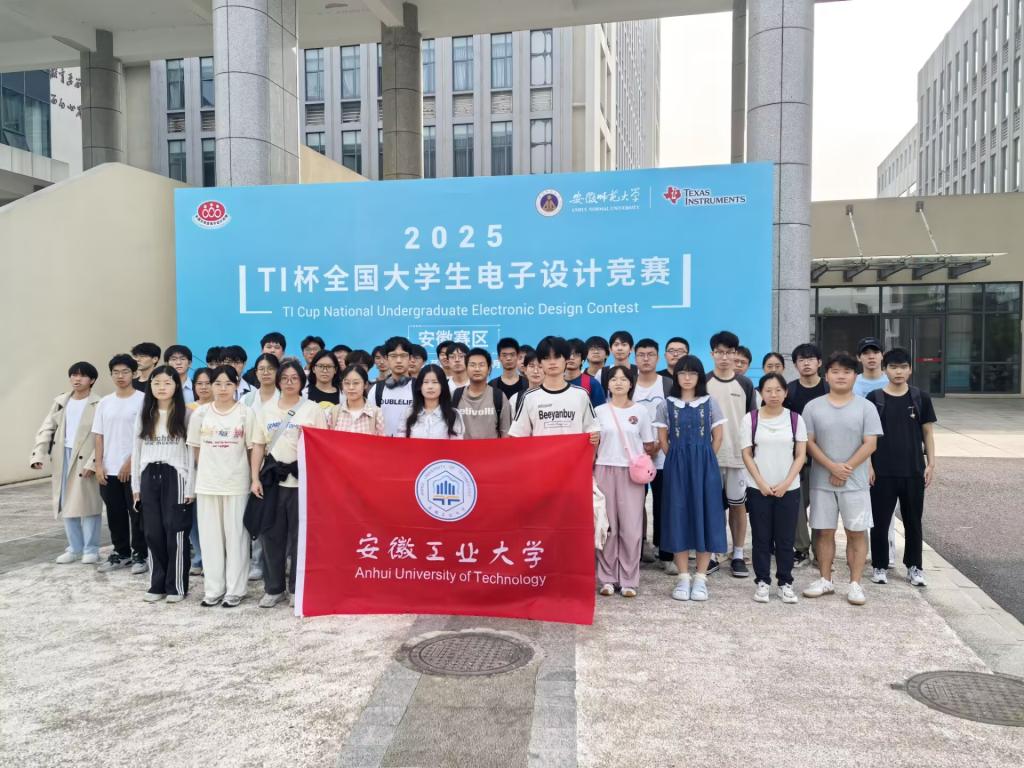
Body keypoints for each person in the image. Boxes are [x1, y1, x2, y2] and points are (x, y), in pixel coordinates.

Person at [801, 352, 883, 606]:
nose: (841, 376)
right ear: (826, 376)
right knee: (824, 531)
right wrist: (831, 468)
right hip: (821, 481)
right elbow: (808, 442)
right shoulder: (813, 407)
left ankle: (855, 583)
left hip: (855, 483)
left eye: (847, 372)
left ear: (855, 376)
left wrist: (845, 469)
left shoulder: (866, 407)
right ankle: (825, 579)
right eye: (835, 371)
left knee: (856, 532)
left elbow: (870, 443)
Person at [250, 360, 326, 608]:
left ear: (302, 382)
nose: (289, 382)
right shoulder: (266, 410)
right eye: (285, 378)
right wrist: (254, 478)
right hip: (272, 480)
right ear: (278, 381)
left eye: (294, 378)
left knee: (299, 538)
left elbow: (322, 446)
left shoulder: (312, 409)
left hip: (302, 481)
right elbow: (258, 445)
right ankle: (274, 589)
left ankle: (297, 588)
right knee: (271, 535)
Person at [187, 366, 263, 608]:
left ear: (236, 385)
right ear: (210, 385)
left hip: (236, 483)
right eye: (217, 383)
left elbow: (253, 448)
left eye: (228, 384)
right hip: (208, 484)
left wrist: (253, 478)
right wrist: (209, 470)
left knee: (236, 538)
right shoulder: (200, 414)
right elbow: (196, 448)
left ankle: (235, 589)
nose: (222, 389)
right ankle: (213, 589)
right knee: (210, 539)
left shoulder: (245, 413)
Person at [866, 348, 937, 587]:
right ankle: (879, 565)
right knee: (879, 522)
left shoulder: (920, 397)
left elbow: (928, 432)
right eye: (893, 367)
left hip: (913, 471)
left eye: (903, 367)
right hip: (882, 472)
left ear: (910, 369)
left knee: (913, 522)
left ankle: (914, 567)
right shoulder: (875, 398)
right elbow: (867, 436)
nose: (898, 372)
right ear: (885, 370)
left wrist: (931, 463)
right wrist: (869, 465)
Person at [660, 356, 727, 602]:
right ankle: (683, 577)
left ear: (699, 376)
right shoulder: (666, 405)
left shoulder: (710, 403)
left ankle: (700, 577)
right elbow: (663, 440)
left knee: (706, 515)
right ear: (676, 376)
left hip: (705, 465)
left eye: (692, 373)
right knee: (678, 516)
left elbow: (718, 437)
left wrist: (704, 457)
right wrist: (678, 459)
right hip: (676, 466)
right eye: (682, 373)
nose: (687, 378)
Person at [741, 373, 807, 605]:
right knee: (761, 538)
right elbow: (747, 454)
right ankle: (762, 581)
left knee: (785, 538)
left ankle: (785, 582)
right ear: (761, 393)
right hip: (758, 488)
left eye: (778, 390)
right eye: (768, 390)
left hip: (789, 488)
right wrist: (760, 482)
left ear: (785, 392)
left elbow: (800, 455)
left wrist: (786, 483)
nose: (773, 395)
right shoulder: (751, 419)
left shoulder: (795, 419)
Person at [131, 365, 195, 603]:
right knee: (152, 532)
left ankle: (176, 586)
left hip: (176, 475)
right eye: (156, 383)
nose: (161, 387)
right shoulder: (144, 414)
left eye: (167, 383)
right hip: (149, 474)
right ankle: (156, 584)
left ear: (176, 386)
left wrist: (190, 486)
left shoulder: (186, 415)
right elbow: (136, 451)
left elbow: (191, 453)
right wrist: (136, 487)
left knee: (175, 531)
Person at [31, 362, 103, 564]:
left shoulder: (99, 403)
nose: (77, 379)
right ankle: (74, 548)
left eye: (82, 375)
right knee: (66, 502)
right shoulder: (61, 401)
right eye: (73, 375)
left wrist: (94, 462)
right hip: (63, 455)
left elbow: (104, 435)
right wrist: (38, 455)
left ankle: (91, 549)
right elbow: (47, 428)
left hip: (86, 456)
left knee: (89, 504)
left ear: (92, 380)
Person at [594, 366, 657, 598]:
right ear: (608, 384)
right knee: (608, 527)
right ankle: (607, 578)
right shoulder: (599, 411)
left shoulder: (641, 411)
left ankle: (629, 579)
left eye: (623, 379)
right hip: (604, 469)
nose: (618, 382)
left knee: (631, 528)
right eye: (614, 379)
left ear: (631, 384)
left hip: (631, 474)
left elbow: (649, 444)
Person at [705, 330, 756, 578]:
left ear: (736, 354)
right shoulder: (703, 382)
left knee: (738, 506)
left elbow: (752, 420)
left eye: (729, 352)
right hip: (710, 456)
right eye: (720, 352)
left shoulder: (745, 384)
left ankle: (737, 554)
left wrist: (750, 453)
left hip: (737, 457)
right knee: (712, 506)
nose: (724, 357)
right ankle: (713, 554)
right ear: (712, 354)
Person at [93, 354, 147, 574]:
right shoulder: (105, 402)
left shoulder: (143, 400)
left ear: (134, 373)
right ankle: (121, 553)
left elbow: (145, 435)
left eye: (125, 372)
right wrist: (98, 465)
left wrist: (130, 463)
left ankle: (141, 554)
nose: (120, 376)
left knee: (137, 514)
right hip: (109, 469)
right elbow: (98, 436)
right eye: (116, 372)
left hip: (134, 469)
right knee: (114, 514)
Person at [783, 342, 829, 568]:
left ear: (819, 362)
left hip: (826, 458)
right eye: (801, 360)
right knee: (797, 504)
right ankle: (801, 548)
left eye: (811, 359)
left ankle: (821, 551)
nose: (807, 363)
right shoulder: (789, 391)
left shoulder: (829, 389)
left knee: (822, 505)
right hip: (796, 458)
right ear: (795, 365)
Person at [508, 336, 600, 443]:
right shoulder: (529, 397)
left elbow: (593, 430)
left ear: (566, 359)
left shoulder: (581, 395)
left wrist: (595, 437)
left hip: (574, 454)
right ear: (540, 362)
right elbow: (517, 436)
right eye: (546, 358)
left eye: (557, 357)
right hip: (541, 454)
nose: (552, 362)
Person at [632, 339, 673, 569]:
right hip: (635, 456)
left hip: (663, 455)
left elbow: (673, 417)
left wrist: (659, 442)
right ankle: (638, 547)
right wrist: (643, 444)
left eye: (650, 354)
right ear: (635, 357)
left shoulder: (667, 384)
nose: (646, 359)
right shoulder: (629, 383)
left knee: (663, 504)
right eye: (641, 354)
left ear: (658, 357)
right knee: (635, 504)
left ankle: (665, 553)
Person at [453, 348, 511, 439]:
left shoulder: (499, 396)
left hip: (492, 448)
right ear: (466, 368)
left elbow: (505, 433)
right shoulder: (455, 396)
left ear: (489, 369)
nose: (477, 369)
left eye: (481, 365)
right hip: (462, 448)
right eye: (472, 365)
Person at [404, 364, 464, 439]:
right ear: (420, 386)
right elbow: (401, 441)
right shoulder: (409, 412)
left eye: (435, 382)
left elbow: (457, 444)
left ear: (442, 386)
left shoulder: (453, 415)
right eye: (426, 382)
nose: (430, 387)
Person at [373, 336, 415, 436]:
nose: (398, 360)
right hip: (383, 443)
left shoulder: (419, 388)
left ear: (410, 358)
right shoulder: (377, 389)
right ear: (387, 358)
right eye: (393, 356)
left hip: (412, 443)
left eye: (403, 356)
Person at [330, 365, 385, 435]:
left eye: (356, 383)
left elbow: (381, 440)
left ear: (365, 385)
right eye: (347, 383)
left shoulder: (376, 413)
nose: (351, 387)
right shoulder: (334, 412)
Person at [565, 338, 606, 408]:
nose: (571, 358)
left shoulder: (592, 383)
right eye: (568, 354)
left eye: (576, 355)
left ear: (582, 360)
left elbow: (600, 411)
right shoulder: (555, 382)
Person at [490, 337, 528, 402]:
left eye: (512, 355)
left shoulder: (527, 383)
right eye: (504, 355)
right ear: (499, 358)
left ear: (517, 356)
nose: (508, 358)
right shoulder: (492, 385)